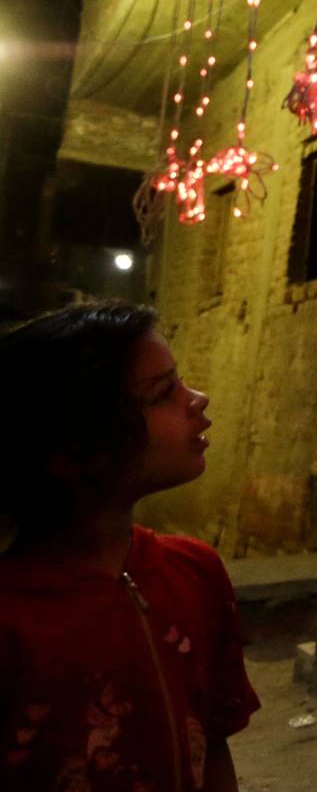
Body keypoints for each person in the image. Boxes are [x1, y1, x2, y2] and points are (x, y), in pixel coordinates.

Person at [0, 302, 259, 791]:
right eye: (163, 393)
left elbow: (212, 743)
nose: (197, 399)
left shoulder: (194, 572)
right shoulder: (14, 620)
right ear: (73, 452)